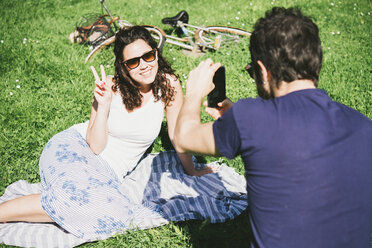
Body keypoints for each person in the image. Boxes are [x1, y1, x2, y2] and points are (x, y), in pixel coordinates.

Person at [174, 7, 372, 248]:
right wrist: (241, 122)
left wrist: (194, 94)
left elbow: (183, 137)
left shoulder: (250, 118)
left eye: (252, 72)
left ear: (264, 72)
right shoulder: (363, 126)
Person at [0, 26, 214, 239]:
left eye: (148, 56)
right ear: (123, 67)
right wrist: (103, 105)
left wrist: (191, 170)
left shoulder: (168, 84)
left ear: (156, 53)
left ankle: (50, 199)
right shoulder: (110, 86)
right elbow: (94, 145)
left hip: (107, 172)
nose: (144, 66)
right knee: (83, 205)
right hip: (75, 148)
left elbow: (178, 135)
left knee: (113, 215)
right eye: (133, 62)